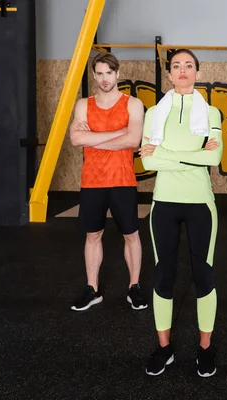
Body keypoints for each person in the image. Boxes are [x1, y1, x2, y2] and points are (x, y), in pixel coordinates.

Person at [139, 49, 223, 378]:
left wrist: (166, 154)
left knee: (204, 276)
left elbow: (214, 160)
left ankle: (205, 349)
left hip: (200, 202)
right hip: (165, 203)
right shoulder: (154, 114)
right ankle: (164, 348)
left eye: (189, 65)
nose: (183, 70)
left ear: (197, 72)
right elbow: (148, 162)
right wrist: (191, 154)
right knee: (164, 276)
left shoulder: (211, 113)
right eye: (177, 66)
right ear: (170, 74)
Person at [68, 52, 147, 312]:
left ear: (117, 74)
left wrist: (96, 137)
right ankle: (92, 289)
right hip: (92, 180)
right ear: (94, 75)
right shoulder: (83, 105)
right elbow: (77, 139)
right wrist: (117, 133)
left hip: (122, 179)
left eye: (108, 73)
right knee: (93, 235)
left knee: (131, 235)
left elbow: (133, 141)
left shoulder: (132, 104)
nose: (104, 78)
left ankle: (134, 287)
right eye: (99, 73)